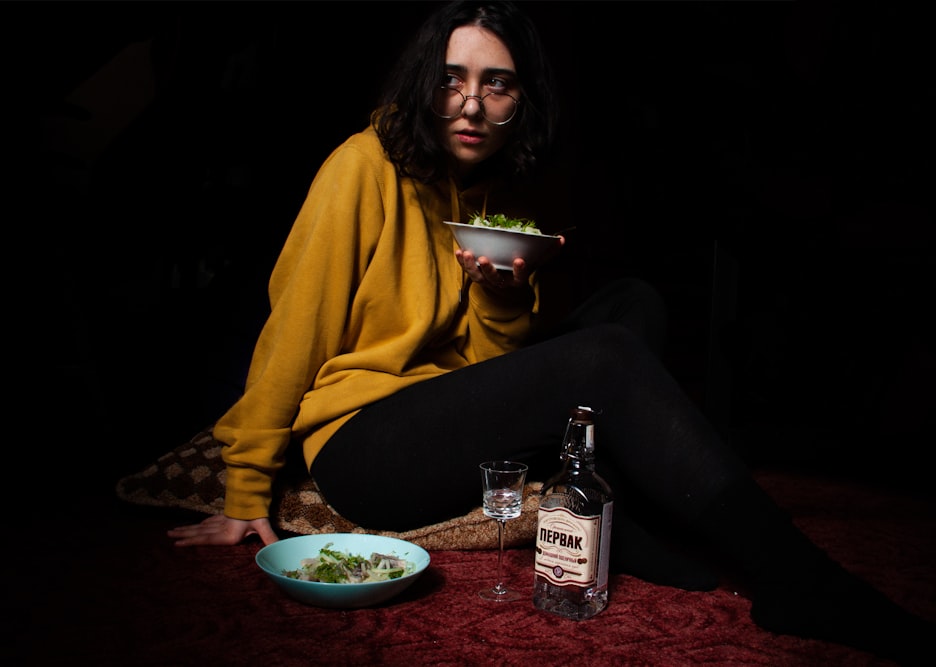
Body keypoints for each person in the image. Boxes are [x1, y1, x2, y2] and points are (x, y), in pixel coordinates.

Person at [169, 2, 932, 663]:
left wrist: (501, 293)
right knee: (601, 357)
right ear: (420, 85)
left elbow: (489, 366)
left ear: (519, 102)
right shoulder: (360, 167)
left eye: (495, 83)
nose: (470, 104)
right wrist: (245, 483)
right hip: (362, 446)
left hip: (437, 414)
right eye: (450, 78)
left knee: (630, 303)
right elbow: (292, 330)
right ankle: (798, 580)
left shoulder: (475, 192)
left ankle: (616, 522)